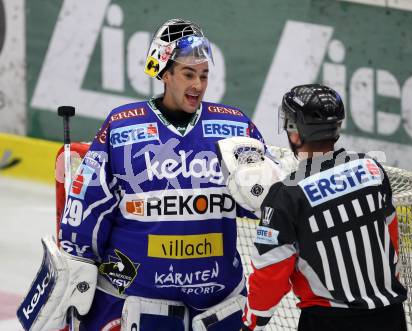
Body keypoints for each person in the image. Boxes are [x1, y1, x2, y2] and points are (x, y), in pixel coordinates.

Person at [53, 18, 264, 330]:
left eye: (204, 75)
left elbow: (267, 201)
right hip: (133, 300)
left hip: (217, 302)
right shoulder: (123, 126)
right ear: (165, 74)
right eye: (188, 74)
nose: (198, 85)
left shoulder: (234, 128)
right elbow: (88, 204)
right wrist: (76, 265)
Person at [240, 84, 408, 331]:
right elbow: (391, 240)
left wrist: (251, 323)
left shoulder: (286, 196)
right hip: (390, 316)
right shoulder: (371, 168)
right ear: (337, 127)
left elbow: (270, 276)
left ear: (295, 133)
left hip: (329, 321)